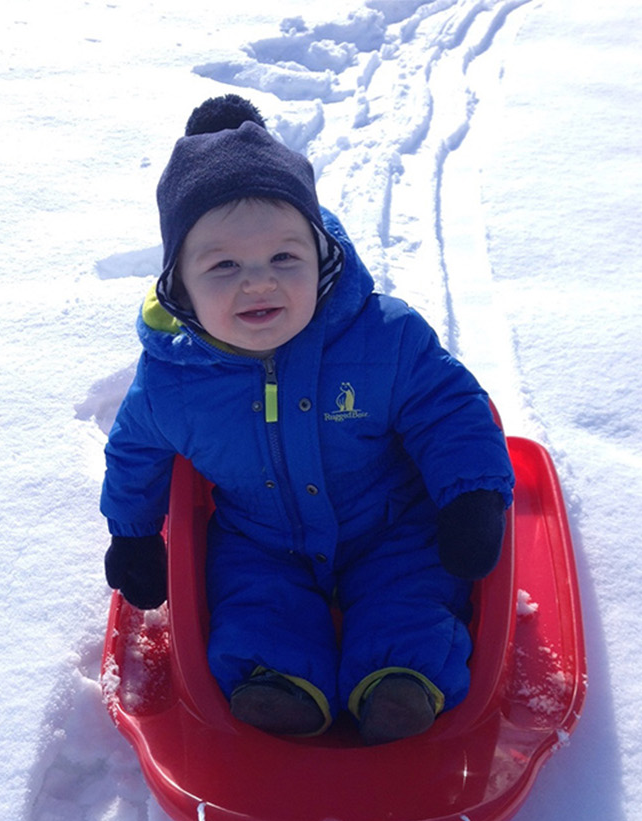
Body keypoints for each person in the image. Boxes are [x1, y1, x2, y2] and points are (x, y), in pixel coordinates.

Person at [101, 96, 513, 745]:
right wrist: (133, 536)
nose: (258, 283)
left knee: (414, 590)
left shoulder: (382, 337)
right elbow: (134, 454)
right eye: (224, 266)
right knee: (252, 604)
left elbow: (450, 409)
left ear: (320, 256)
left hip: (389, 524)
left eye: (284, 258)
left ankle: (400, 681)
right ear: (177, 284)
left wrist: (472, 496)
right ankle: (279, 683)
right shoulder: (172, 384)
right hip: (260, 540)